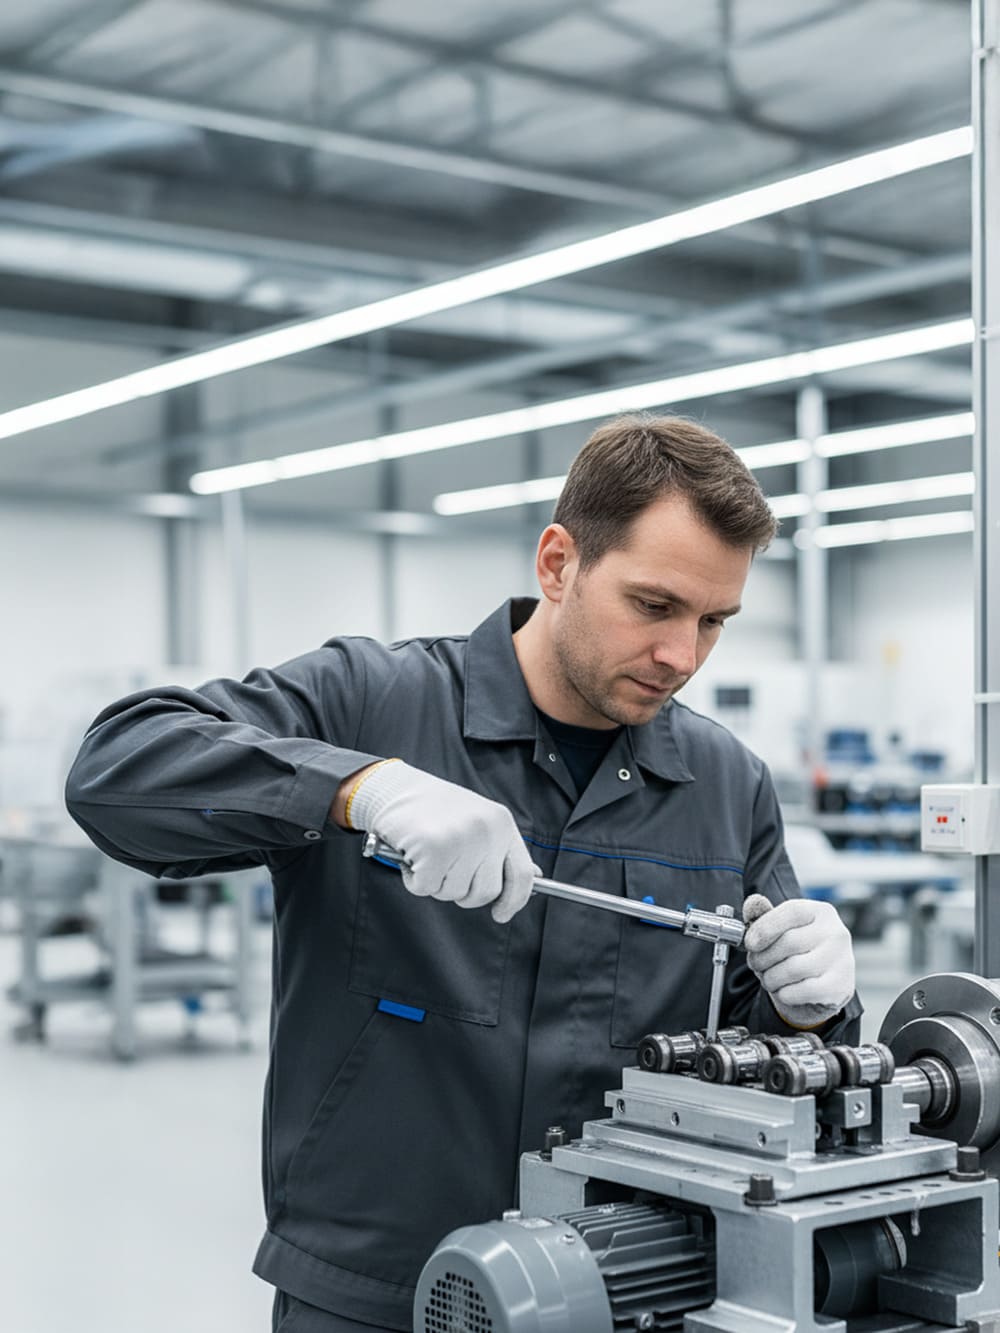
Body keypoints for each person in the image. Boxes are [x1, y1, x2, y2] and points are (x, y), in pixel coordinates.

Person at [66, 413, 860, 1333]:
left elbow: (759, 1054)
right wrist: (358, 785)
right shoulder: (373, 701)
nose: (682, 655)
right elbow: (116, 769)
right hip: (376, 1291)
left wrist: (809, 1006)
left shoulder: (727, 784)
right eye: (653, 606)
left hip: (623, 1284)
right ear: (558, 562)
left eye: (713, 621)